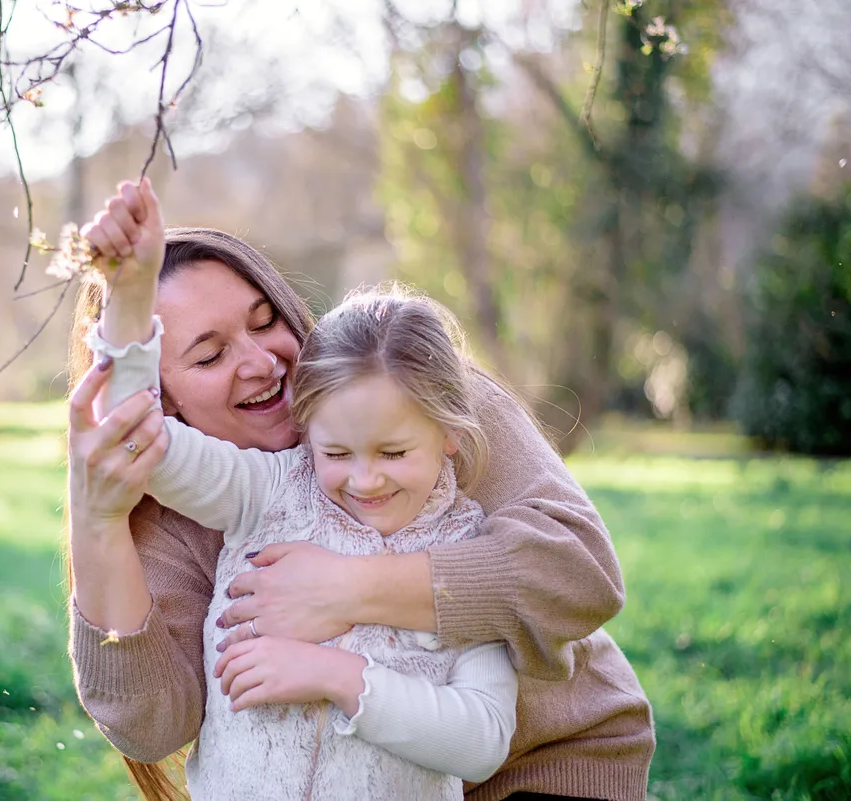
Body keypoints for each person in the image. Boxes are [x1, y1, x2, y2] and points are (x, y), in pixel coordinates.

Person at [66, 179, 654, 801]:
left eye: (266, 323)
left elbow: (581, 570)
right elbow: (150, 725)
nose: (263, 362)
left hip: (549, 761)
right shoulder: (229, 496)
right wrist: (97, 518)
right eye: (209, 357)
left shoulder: (411, 391)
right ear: (168, 398)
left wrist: (346, 590)